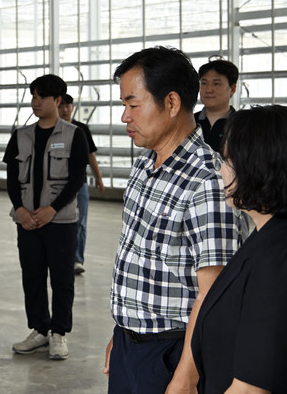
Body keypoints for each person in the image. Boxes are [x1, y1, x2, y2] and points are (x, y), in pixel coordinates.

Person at [103, 46, 241, 394]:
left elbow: (213, 293)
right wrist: (123, 333)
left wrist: (186, 375)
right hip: (130, 344)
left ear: (172, 103)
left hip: (174, 352)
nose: (125, 116)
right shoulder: (143, 165)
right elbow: (138, 258)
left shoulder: (207, 180)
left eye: (133, 104)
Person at [191, 105, 287, 393]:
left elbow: (250, 387)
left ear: (258, 165)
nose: (220, 169)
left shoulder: (276, 258)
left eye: (228, 159)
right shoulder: (263, 236)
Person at [3, 75, 88, 361]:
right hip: (27, 221)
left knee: (62, 279)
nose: (35, 102)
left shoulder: (74, 135)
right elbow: (12, 179)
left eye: (42, 97)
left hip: (61, 222)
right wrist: (20, 210)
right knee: (33, 277)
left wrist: (52, 209)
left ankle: (59, 332)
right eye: (33, 96)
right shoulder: (20, 136)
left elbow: (76, 179)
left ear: (58, 100)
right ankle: (39, 329)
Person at [58, 94, 105, 274]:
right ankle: (60, 258)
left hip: (80, 184)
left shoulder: (81, 129)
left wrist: (98, 177)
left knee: (80, 222)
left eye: (67, 106)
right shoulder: (53, 128)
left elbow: (90, 154)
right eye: (61, 106)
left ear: (72, 107)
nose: (64, 110)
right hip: (57, 184)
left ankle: (77, 259)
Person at [194, 58, 238, 153]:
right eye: (204, 83)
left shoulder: (240, 125)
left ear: (232, 89)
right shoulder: (189, 122)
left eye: (216, 84)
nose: (208, 90)